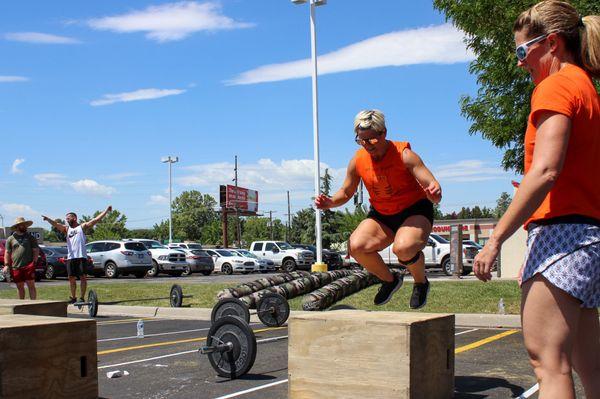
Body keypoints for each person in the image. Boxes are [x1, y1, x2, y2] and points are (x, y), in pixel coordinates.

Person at [473, 2, 600, 398]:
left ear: (553, 43)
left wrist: (495, 240)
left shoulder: (557, 85)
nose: (519, 63)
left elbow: (545, 171)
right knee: (590, 367)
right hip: (588, 237)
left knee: (549, 364)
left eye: (521, 51)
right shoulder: (587, 89)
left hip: (561, 236)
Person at [315, 109, 442, 308]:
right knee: (356, 246)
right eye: (361, 140)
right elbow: (346, 191)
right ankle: (390, 280)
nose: (367, 145)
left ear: (383, 132)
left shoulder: (405, 155)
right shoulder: (357, 161)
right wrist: (330, 202)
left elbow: (432, 184)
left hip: (414, 210)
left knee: (403, 248)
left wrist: (434, 192)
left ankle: (420, 283)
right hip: (383, 214)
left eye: (371, 140)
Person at [42, 206, 112, 303]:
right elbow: (56, 224)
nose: (67, 220)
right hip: (71, 257)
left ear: (74, 218)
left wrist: (106, 211)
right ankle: (73, 297)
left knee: (83, 277)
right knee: (71, 277)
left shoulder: (82, 227)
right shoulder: (66, 229)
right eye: (66, 219)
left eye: (68, 218)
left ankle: (82, 297)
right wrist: (48, 219)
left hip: (81, 256)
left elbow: (96, 220)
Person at [2, 217, 39, 300]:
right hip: (16, 266)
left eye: (25, 225)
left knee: (31, 285)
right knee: (19, 287)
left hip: (29, 265)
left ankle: (33, 305)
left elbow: (36, 250)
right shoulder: (10, 239)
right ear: (17, 226)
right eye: (23, 225)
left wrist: (34, 262)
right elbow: (7, 252)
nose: (25, 226)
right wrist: (6, 265)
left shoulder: (30, 237)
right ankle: (21, 305)